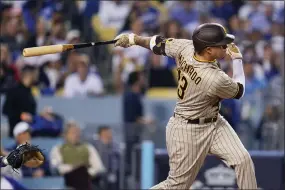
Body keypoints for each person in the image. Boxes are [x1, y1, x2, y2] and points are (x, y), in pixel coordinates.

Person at [114, 23, 257, 189]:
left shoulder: (186, 47)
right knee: (177, 186)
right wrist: (237, 60)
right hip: (187, 130)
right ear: (209, 50)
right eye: (222, 45)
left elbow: (157, 44)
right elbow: (240, 90)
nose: (227, 47)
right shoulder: (214, 78)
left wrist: (133, 39)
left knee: (243, 160)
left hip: (214, 123)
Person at [50, 121, 105, 190]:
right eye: (72, 133)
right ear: (65, 135)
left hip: (87, 181)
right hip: (68, 182)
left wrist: (87, 174)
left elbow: (99, 167)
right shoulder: (58, 149)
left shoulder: (88, 147)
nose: (76, 135)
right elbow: (56, 167)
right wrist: (73, 167)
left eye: (77, 132)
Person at [2, 65, 37, 137]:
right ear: (29, 76)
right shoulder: (14, 91)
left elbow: (32, 112)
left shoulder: (29, 92)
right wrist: (21, 115)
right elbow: (6, 110)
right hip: (16, 133)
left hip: (29, 132)